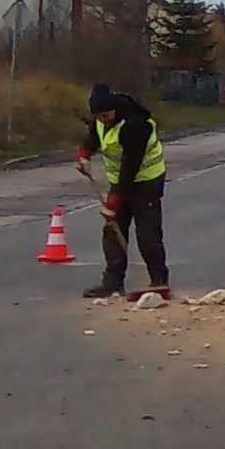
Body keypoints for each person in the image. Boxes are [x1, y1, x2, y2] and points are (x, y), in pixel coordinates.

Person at [85, 83, 173, 300]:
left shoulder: (136, 124)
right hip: (120, 182)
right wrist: (84, 153)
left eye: (105, 115)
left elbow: (130, 165)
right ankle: (112, 283)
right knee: (113, 231)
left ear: (114, 109)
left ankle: (159, 281)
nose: (102, 120)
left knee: (148, 232)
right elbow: (94, 137)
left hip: (146, 181)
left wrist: (114, 200)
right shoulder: (100, 120)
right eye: (98, 116)